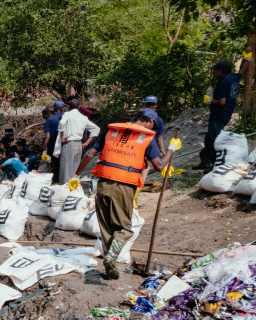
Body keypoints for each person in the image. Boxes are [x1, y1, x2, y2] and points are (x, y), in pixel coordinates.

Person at [75, 111, 168, 280]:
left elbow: (89, 154)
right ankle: (111, 258)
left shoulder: (111, 132)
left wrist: (76, 176)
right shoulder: (147, 138)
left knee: (106, 226)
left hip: (103, 184)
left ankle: (110, 266)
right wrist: (171, 150)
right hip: (124, 186)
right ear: (150, 121)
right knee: (124, 228)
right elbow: (160, 166)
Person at [198, 60, 242, 173]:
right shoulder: (233, 78)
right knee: (209, 138)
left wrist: (210, 100)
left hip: (218, 114)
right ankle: (205, 161)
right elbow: (242, 71)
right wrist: (247, 60)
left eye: (215, 70)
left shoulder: (222, 83)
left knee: (215, 139)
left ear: (220, 71)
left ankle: (214, 165)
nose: (213, 73)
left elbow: (222, 102)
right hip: (227, 113)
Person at [56, 98, 100, 184]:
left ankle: (64, 193)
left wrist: (62, 136)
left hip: (69, 144)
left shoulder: (67, 114)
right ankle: (73, 192)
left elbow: (61, 123)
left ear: (68, 106)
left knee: (66, 171)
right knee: (75, 172)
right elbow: (96, 129)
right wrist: (87, 142)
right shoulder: (83, 117)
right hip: (79, 145)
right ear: (78, 106)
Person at [43, 101, 64, 183]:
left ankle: (53, 183)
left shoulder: (50, 120)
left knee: (51, 167)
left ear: (54, 108)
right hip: (64, 147)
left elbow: (47, 137)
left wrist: (44, 150)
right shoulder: (65, 118)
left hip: (51, 149)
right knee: (61, 167)